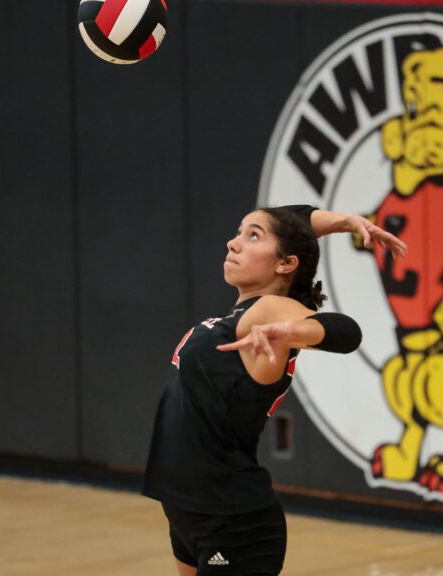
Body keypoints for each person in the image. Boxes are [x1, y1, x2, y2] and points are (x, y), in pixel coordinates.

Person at [141, 205, 408, 575]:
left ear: (286, 264)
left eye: (253, 236)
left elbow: (348, 333)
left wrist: (295, 331)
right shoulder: (240, 315)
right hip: (190, 510)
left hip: (232, 522)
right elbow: (290, 219)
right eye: (239, 231)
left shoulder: (270, 309)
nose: (233, 243)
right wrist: (344, 222)